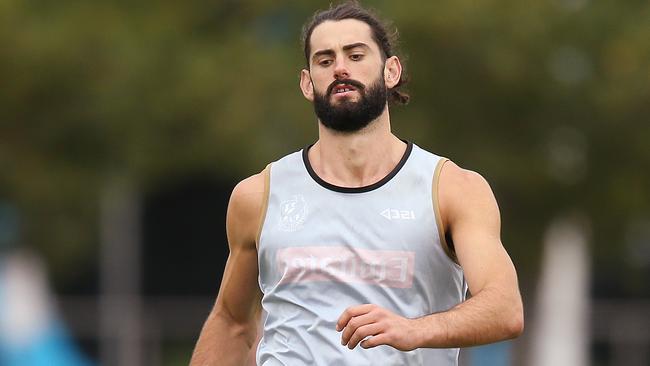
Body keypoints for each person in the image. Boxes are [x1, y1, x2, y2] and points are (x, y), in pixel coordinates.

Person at [190, 1, 523, 365]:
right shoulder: (257, 195)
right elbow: (231, 323)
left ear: (391, 70)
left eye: (356, 54)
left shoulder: (452, 189)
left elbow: (504, 309)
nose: (341, 68)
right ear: (307, 82)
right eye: (325, 60)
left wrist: (414, 330)